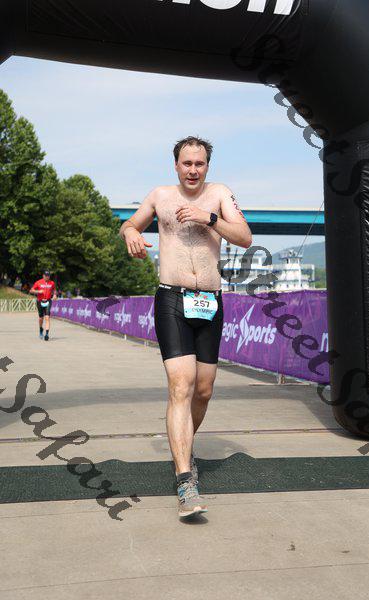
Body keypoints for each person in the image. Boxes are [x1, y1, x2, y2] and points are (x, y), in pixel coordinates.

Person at [119, 136, 252, 519]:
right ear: (175, 165)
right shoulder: (160, 196)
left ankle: (183, 446)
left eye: (199, 163)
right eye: (186, 163)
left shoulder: (220, 194)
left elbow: (245, 238)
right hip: (172, 300)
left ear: (207, 165)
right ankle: (184, 479)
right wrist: (130, 233)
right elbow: (130, 223)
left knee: (204, 390)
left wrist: (208, 218)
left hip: (210, 300)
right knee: (181, 385)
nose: (193, 170)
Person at [30, 270, 57, 341]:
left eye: (48, 276)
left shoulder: (52, 283)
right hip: (40, 301)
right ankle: (41, 329)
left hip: (48, 301)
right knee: (41, 318)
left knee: (47, 317)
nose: (47, 277)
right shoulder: (38, 282)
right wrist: (38, 291)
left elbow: (54, 290)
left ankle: (47, 334)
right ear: (43, 276)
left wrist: (54, 295)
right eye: (46, 275)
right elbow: (31, 290)